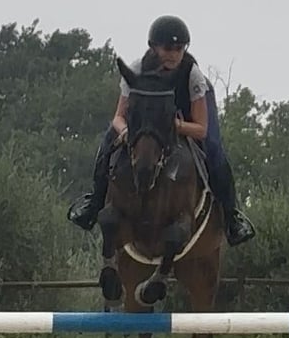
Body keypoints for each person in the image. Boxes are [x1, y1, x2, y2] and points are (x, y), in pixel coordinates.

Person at [67, 15, 256, 247]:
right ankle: (94, 203)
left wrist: (174, 125)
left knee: (215, 150)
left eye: (179, 48)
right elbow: (118, 117)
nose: (173, 54)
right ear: (153, 47)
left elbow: (201, 129)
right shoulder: (135, 71)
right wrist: (125, 132)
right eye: (167, 48)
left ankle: (232, 217)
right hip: (145, 123)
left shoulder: (193, 76)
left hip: (187, 118)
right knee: (108, 142)